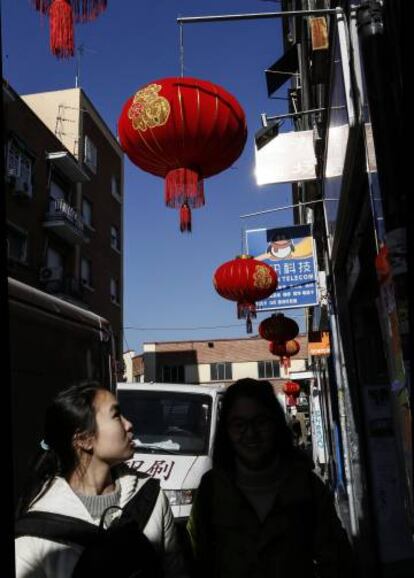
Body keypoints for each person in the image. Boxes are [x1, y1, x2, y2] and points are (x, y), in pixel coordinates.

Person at [15, 382, 188, 578]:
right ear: (84, 440)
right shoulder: (37, 529)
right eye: (116, 416)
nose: (129, 424)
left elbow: (176, 571)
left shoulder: (151, 498)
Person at [187, 378, 356, 578]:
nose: (250, 433)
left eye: (260, 422)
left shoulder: (307, 487)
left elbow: (337, 562)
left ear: (275, 424)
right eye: (239, 424)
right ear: (226, 430)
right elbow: (197, 560)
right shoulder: (211, 489)